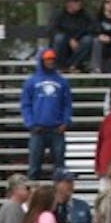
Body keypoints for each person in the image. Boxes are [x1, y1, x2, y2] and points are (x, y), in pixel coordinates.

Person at [20, 48, 71, 180]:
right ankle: (32, 196)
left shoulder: (62, 81)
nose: (50, 62)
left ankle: (59, 195)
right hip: (38, 129)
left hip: (57, 129)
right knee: (34, 167)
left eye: (53, 59)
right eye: (48, 59)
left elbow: (67, 104)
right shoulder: (31, 81)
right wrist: (31, 124)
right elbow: (26, 105)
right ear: (42, 61)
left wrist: (65, 122)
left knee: (60, 166)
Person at [49, 0, 95, 72]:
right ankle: (60, 65)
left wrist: (76, 39)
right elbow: (53, 30)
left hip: (78, 43)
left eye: (80, 1)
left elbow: (90, 28)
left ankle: (71, 65)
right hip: (63, 45)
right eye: (76, 1)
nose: (79, 3)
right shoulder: (59, 14)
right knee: (59, 38)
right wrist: (69, 40)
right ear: (68, 3)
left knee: (88, 40)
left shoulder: (85, 15)